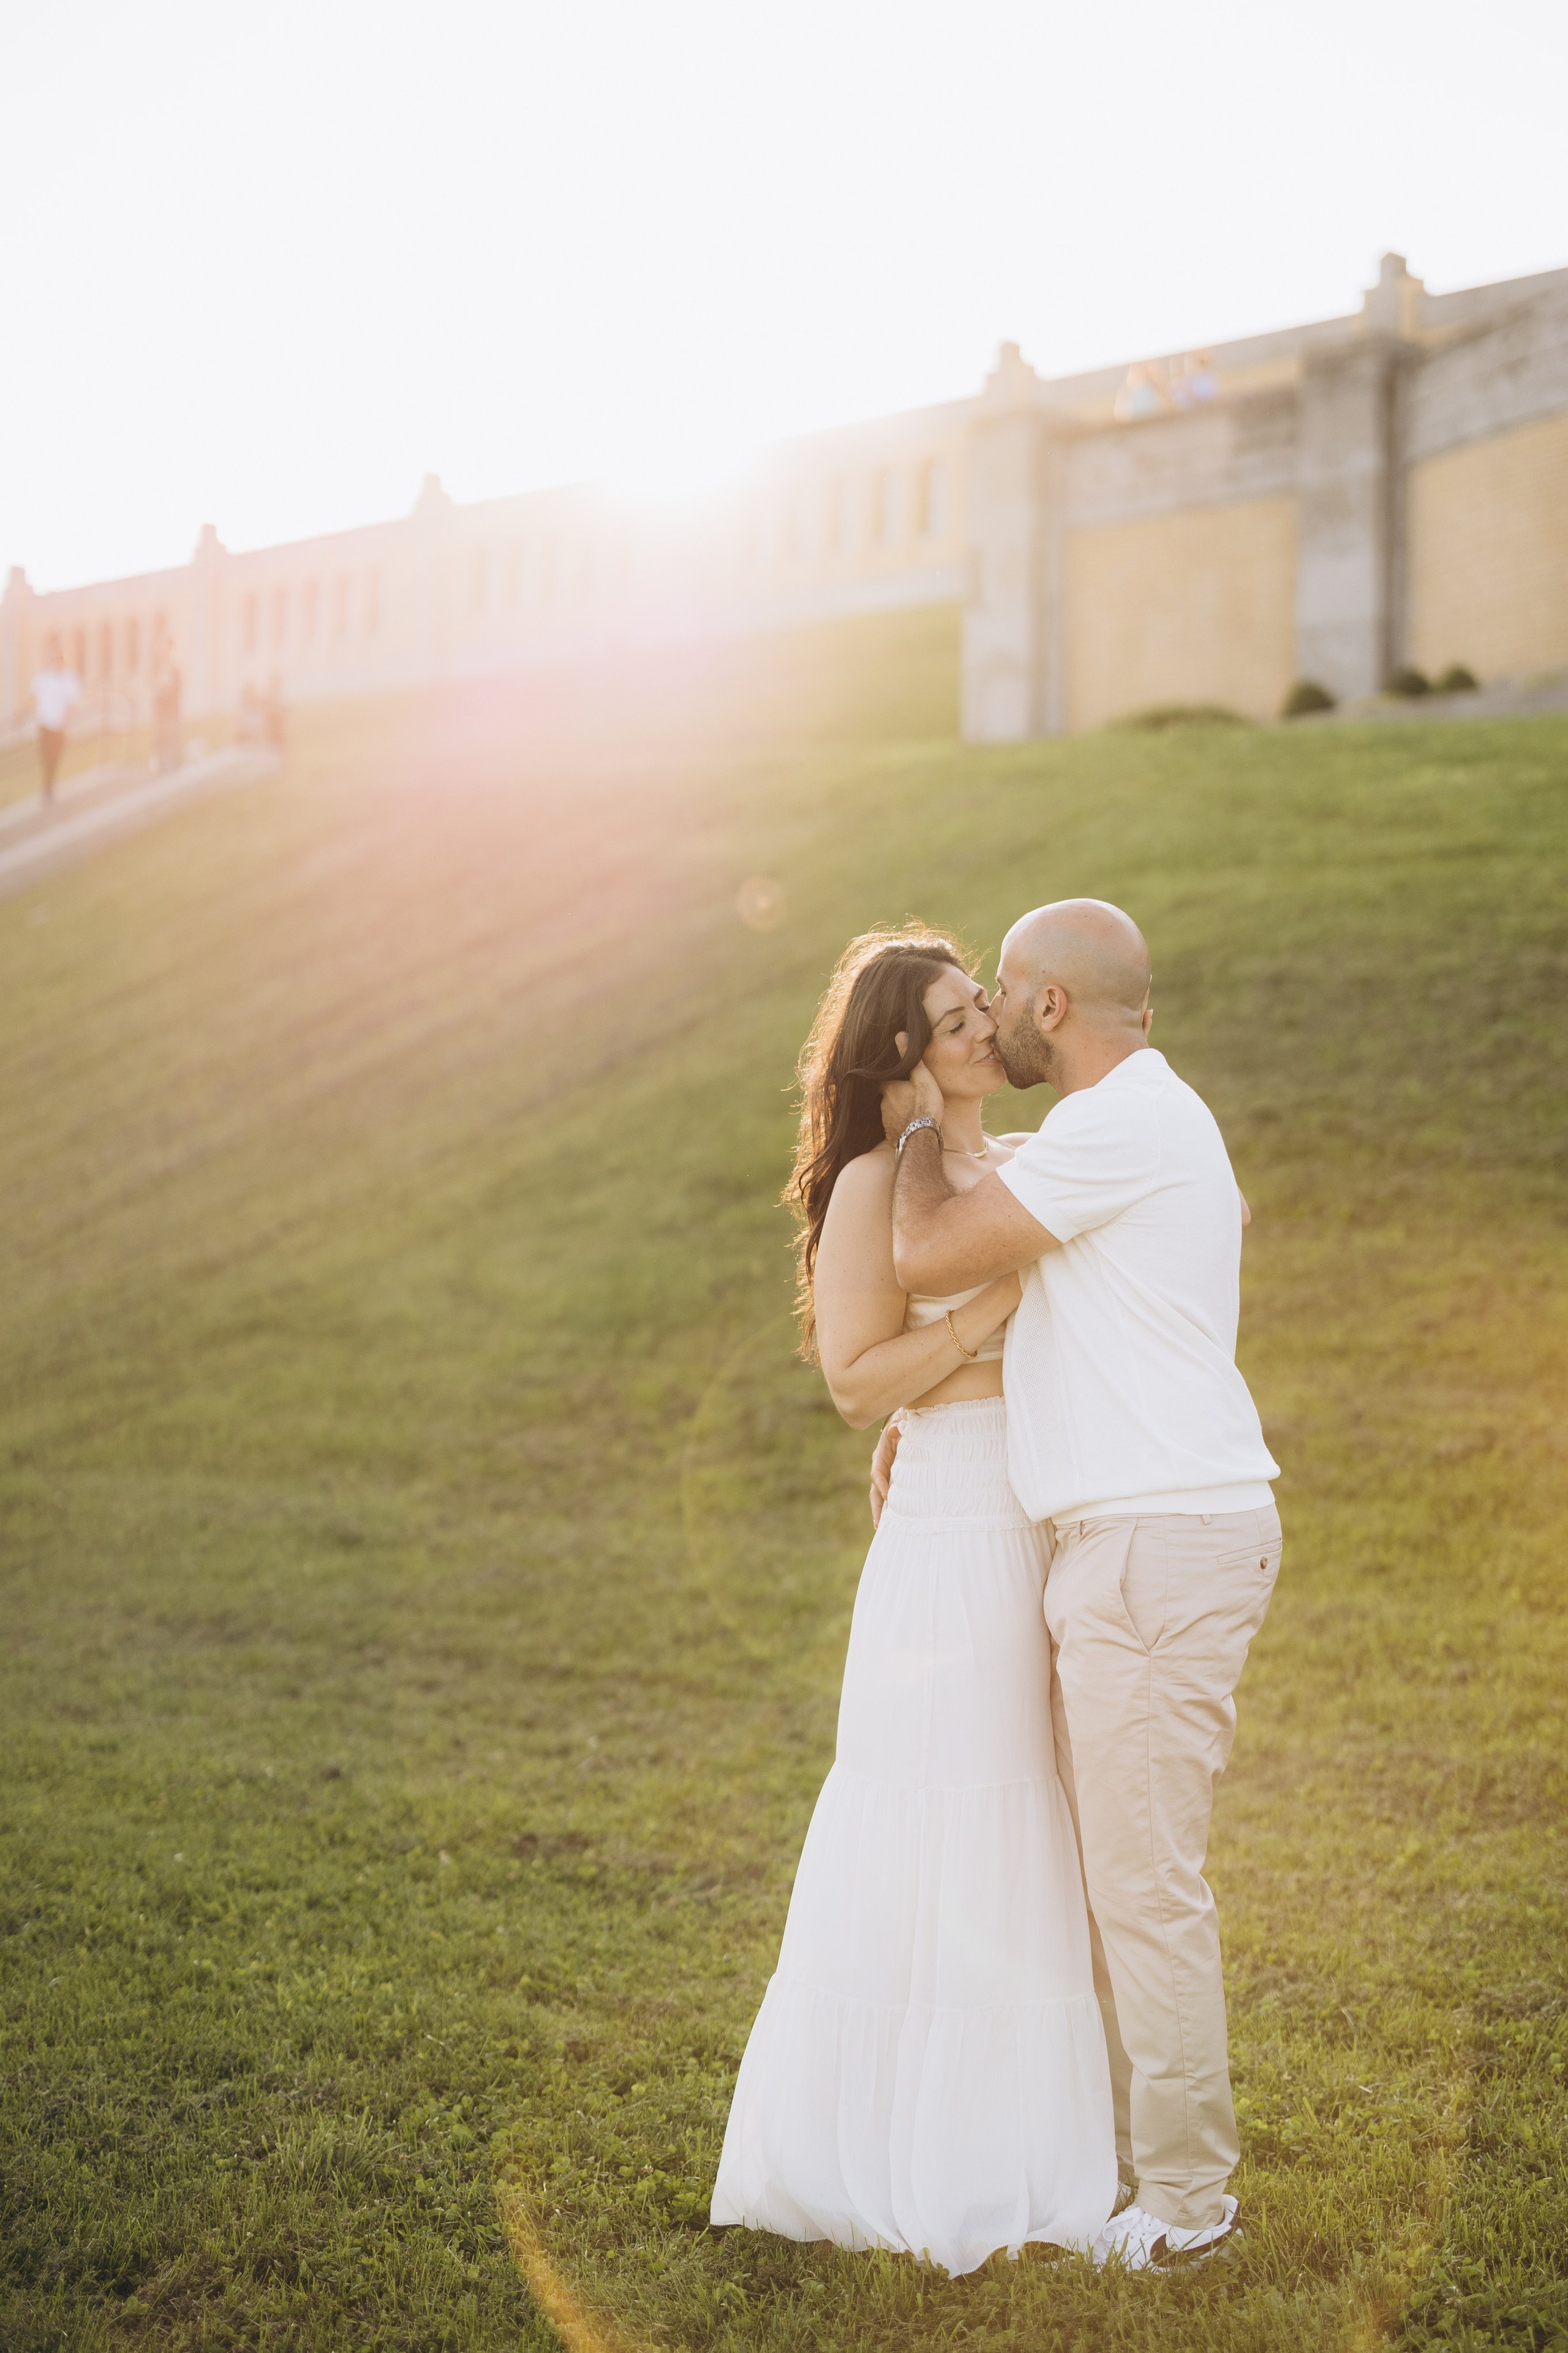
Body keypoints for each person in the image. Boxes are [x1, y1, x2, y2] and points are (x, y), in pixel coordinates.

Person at [871, 899, 1280, 2272]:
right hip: (1138, 1544)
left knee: (1143, 1888)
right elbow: (1139, 1212)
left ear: (1050, 1006)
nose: (989, 1014)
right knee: (1111, 1877)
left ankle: (1186, 2211)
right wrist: (916, 1409)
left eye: (1000, 991)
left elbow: (929, 1252)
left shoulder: (1120, 1128)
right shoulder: (1135, 1122)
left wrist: (916, 1123)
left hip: (1154, 1548)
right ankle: (1109, 2164)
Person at [710, 929, 1119, 2275]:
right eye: (952, 1020)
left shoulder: (1027, 1163)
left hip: (1046, 1512)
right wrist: (985, 1314)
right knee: (945, 1814)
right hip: (950, 1533)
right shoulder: (873, 1184)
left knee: (1029, 1825)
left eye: (978, 1005)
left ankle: (1022, 2151)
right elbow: (852, 1381)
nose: (983, 1028)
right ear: (901, 1052)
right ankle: (905, 2155)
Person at [32, 638, 80, 803]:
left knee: (55, 757)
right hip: (44, 724)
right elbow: (34, 697)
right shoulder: (44, 678)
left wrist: (64, 723)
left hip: (59, 726)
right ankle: (47, 788)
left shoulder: (69, 679)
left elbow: (71, 704)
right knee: (45, 757)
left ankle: (49, 787)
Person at [153, 649, 183, 774]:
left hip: (171, 709)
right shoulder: (158, 668)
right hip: (162, 710)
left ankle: (174, 765)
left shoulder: (175, 669)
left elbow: (177, 688)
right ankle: (161, 766)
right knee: (161, 738)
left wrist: (167, 691)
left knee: (172, 736)